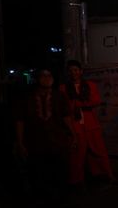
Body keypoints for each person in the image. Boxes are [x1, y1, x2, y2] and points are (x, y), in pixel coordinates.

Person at [16, 69, 76, 200]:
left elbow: (66, 116)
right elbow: (20, 120)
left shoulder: (59, 96)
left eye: (49, 75)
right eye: (43, 75)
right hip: (35, 141)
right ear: (37, 79)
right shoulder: (27, 97)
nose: (47, 78)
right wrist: (20, 142)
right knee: (39, 171)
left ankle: (61, 198)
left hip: (58, 140)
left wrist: (73, 134)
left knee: (60, 170)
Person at [59, 60, 118, 189]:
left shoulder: (90, 85)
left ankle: (106, 176)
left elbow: (95, 100)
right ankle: (77, 181)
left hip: (90, 122)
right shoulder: (63, 88)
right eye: (71, 70)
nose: (73, 73)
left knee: (99, 150)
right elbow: (64, 106)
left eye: (76, 70)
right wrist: (78, 105)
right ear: (68, 73)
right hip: (75, 124)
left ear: (81, 71)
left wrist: (79, 104)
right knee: (76, 154)